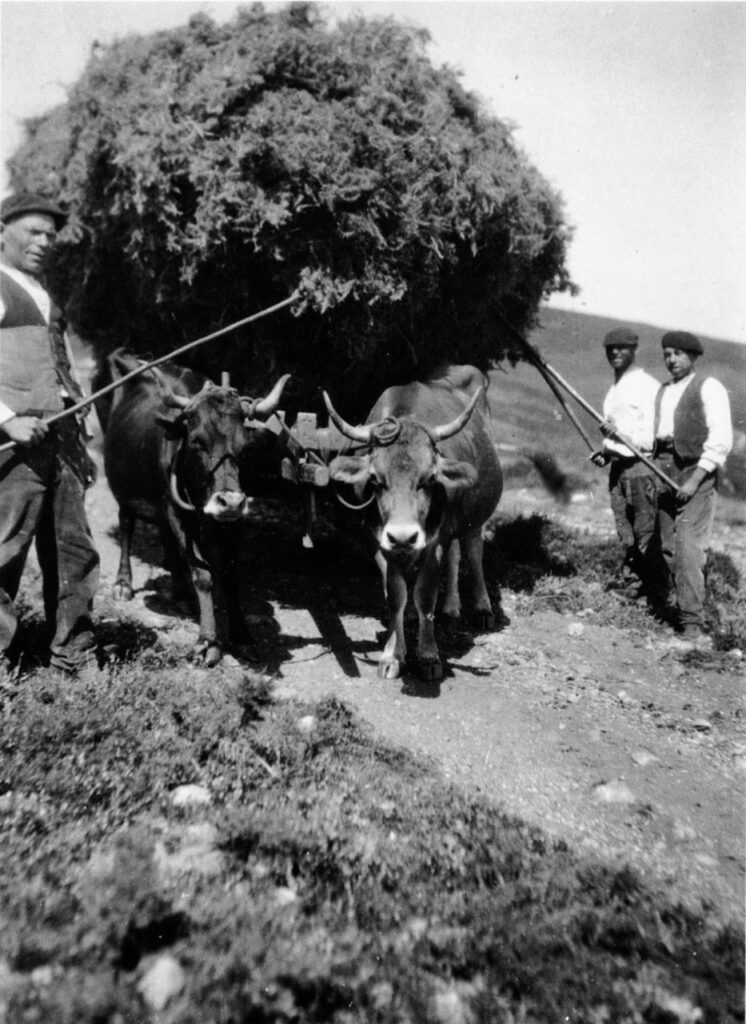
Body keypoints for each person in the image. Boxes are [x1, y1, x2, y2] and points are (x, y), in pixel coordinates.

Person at [0, 192, 99, 677]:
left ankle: (73, 655)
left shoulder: (44, 294)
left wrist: (79, 441)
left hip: (60, 444)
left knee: (73, 552)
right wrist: (6, 419)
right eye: (32, 232)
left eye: (49, 235)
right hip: (14, 450)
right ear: (2, 232)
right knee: (3, 551)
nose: (43, 242)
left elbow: (60, 370)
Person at [652, 330, 733, 649]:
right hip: (664, 469)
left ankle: (692, 628)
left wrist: (695, 479)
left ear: (693, 357)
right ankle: (674, 610)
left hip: (694, 471)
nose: (671, 360)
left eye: (678, 354)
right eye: (667, 354)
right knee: (668, 548)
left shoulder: (708, 387)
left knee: (688, 549)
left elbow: (720, 440)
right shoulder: (663, 391)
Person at [590, 327, 660, 600]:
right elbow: (617, 434)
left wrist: (621, 436)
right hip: (618, 469)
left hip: (641, 468)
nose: (615, 353)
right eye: (611, 349)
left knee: (645, 531)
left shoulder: (648, 386)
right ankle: (633, 586)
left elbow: (650, 437)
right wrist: (606, 452)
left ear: (635, 351)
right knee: (626, 531)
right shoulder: (615, 387)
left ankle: (654, 594)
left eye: (622, 348)